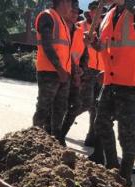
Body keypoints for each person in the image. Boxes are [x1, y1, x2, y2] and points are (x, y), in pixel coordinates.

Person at [87, 0, 135, 186]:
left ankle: (124, 180)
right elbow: (106, 47)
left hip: (132, 83)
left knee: (126, 134)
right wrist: (95, 44)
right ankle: (111, 167)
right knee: (101, 123)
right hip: (111, 81)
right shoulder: (109, 14)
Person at [31, 0, 74, 140]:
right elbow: (47, 45)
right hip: (50, 72)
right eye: (69, 3)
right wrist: (59, 68)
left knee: (60, 109)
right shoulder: (47, 16)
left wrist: (72, 68)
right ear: (62, 2)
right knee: (44, 108)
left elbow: (65, 50)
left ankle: (54, 139)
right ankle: (34, 139)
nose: (71, 7)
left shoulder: (62, 21)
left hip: (62, 73)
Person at [56, 5, 88, 145]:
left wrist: (82, 68)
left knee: (76, 105)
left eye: (77, 12)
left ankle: (61, 135)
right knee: (57, 106)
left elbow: (84, 54)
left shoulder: (80, 32)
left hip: (74, 75)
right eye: (73, 11)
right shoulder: (59, 27)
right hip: (59, 73)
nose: (75, 14)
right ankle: (52, 135)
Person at [80, 1, 105, 148]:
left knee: (95, 106)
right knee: (85, 103)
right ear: (90, 12)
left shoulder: (105, 28)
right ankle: (59, 125)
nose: (98, 15)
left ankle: (91, 135)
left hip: (101, 72)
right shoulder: (82, 27)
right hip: (87, 70)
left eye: (100, 12)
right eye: (95, 11)